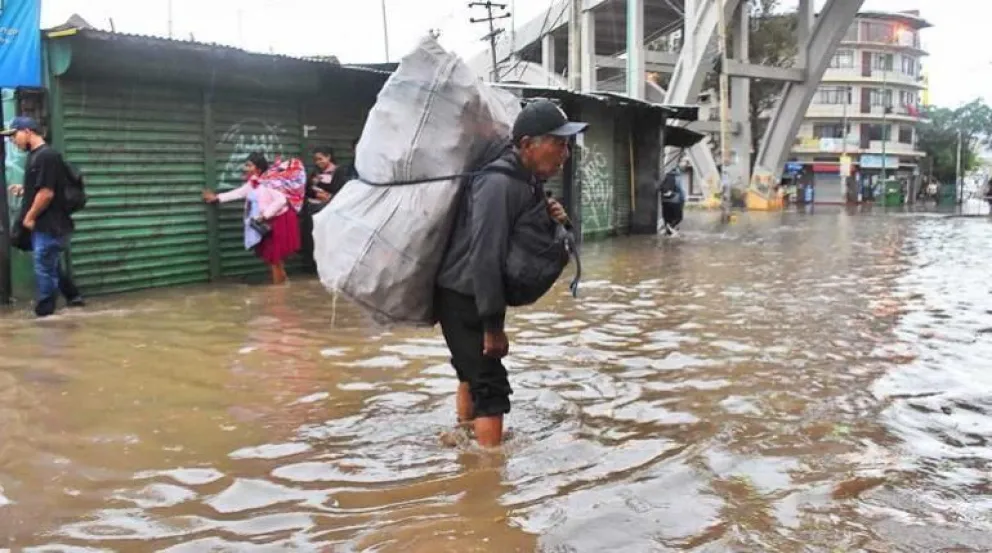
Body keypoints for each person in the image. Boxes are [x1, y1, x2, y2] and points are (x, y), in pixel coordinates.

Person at [435, 100, 587, 448]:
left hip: (471, 292)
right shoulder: (499, 184)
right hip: (464, 295)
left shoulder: (526, 180)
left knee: (471, 374)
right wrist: (493, 328)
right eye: (558, 143)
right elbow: (485, 256)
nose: (565, 153)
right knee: (491, 388)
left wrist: (557, 219)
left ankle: (464, 440)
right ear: (527, 144)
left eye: (567, 144)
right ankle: (487, 481)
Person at [3, 116, 84, 317]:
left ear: (28, 131)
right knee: (50, 264)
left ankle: (46, 316)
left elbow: (47, 193)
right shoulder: (36, 156)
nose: (13, 140)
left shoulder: (46, 156)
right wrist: (25, 190)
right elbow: (44, 186)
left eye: (14, 135)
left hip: (49, 225)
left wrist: (29, 217)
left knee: (44, 268)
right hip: (47, 225)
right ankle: (74, 297)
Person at [202, 152, 301, 285]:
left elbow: (281, 200)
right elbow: (240, 192)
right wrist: (218, 198)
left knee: (274, 257)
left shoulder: (269, 182)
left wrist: (265, 215)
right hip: (268, 221)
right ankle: (283, 284)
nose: (246, 168)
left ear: (258, 169)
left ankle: (279, 292)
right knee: (274, 258)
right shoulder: (255, 182)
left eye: (249, 166)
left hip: (278, 221)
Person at [658, 170, 685, 235]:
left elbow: (659, 188)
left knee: (667, 219)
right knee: (678, 218)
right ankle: (671, 228)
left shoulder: (665, 178)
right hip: (676, 202)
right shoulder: (677, 177)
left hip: (665, 202)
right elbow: (680, 190)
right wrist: (682, 201)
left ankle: (668, 230)